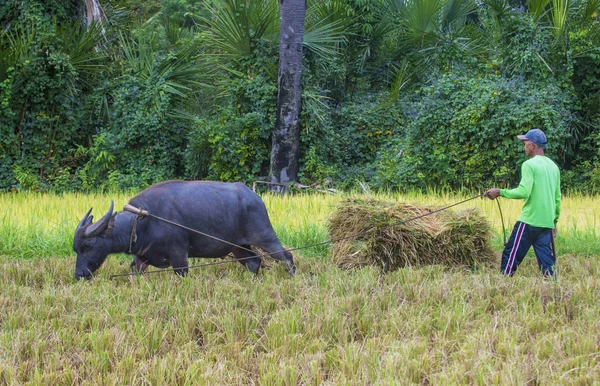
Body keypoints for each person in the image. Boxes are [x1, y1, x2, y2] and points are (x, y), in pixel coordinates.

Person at [485, 128, 561, 277]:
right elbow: (557, 198)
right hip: (546, 222)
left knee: (511, 252)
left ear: (532, 145)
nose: (523, 146)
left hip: (529, 220)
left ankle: (504, 281)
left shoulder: (529, 165)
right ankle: (552, 285)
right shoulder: (554, 167)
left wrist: (500, 192)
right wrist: (554, 222)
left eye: (525, 143)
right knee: (546, 261)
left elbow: (523, 191)